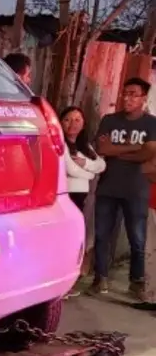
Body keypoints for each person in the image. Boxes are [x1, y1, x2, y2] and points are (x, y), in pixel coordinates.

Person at [91, 77, 156, 297]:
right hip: (108, 187)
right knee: (102, 235)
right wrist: (136, 148)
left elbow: (150, 152)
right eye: (125, 93)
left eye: (133, 94)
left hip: (136, 190)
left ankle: (136, 282)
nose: (127, 98)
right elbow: (102, 149)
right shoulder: (109, 120)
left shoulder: (152, 123)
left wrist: (116, 149)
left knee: (137, 238)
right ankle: (101, 279)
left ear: (143, 99)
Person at [61, 106, 105, 211]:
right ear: (60, 122)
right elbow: (71, 170)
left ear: (83, 124)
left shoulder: (85, 146)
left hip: (82, 196)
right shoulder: (60, 143)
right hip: (67, 194)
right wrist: (91, 174)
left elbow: (102, 165)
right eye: (67, 120)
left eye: (77, 120)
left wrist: (85, 164)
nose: (72, 124)